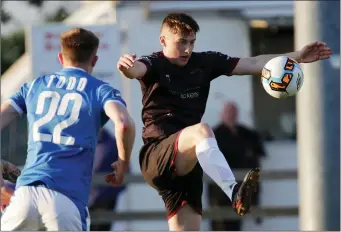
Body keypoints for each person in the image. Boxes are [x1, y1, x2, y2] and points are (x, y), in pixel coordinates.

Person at [116, 12, 332, 231]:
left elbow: (254, 63)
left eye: (192, 42)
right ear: (163, 40)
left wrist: (297, 56)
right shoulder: (153, 63)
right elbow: (136, 70)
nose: (188, 49)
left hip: (187, 165)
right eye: (181, 42)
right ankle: (234, 192)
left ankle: (231, 191)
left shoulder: (205, 62)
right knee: (202, 131)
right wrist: (127, 67)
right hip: (157, 156)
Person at [0, 28, 135, 231]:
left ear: (60, 57)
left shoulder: (34, 86)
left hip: (25, 195)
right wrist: (123, 163)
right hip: (65, 199)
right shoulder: (100, 90)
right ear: (95, 60)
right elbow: (124, 123)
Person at [209, 102, 266, 231]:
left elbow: (259, 152)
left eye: (233, 112)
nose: (231, 115)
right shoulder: (214, 134)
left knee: (236, 223)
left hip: (241, 188)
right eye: (228, 112)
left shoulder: (247, 134)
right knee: (220, 223)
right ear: (222, 115)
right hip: (220, 191)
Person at [88, 127, 128, 231]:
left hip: (104, 201)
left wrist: (110, 194)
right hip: (84, 200)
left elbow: (125, 172)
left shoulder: (112, 144)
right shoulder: (83, 143)